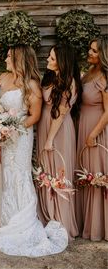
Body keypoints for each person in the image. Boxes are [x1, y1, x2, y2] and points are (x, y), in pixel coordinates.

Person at [0, 45, 68, 256]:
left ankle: (19, 222)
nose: (6, 59)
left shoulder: (31, 85)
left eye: (9, 56)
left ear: (19, 59)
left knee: (17, 176)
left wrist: (12, 129)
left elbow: (34, 117)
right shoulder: (1, 77)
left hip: (19, 138)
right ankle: (1, 220)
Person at [36, 44, 82, 242]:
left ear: (62, 62)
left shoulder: (70, 82)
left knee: (59, 173)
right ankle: (47, 217)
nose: (48, 60)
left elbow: (61, 115)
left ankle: (61, 220)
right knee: (46, 171)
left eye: (52, 58)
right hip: (45, 126)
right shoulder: (49, 77)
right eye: (49, 56)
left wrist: (49, 139)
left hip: (59, 131)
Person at [76, 36, 108, 241]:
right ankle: (85, 222)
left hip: (96, 129)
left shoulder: (105, 77)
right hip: (83, 125)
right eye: (90, 49)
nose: (90, 52)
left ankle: (99, 227)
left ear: (103, 55)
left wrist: (93, 134)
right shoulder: (88, 73)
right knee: (84, 173)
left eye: (95, 51)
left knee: (96, 175)